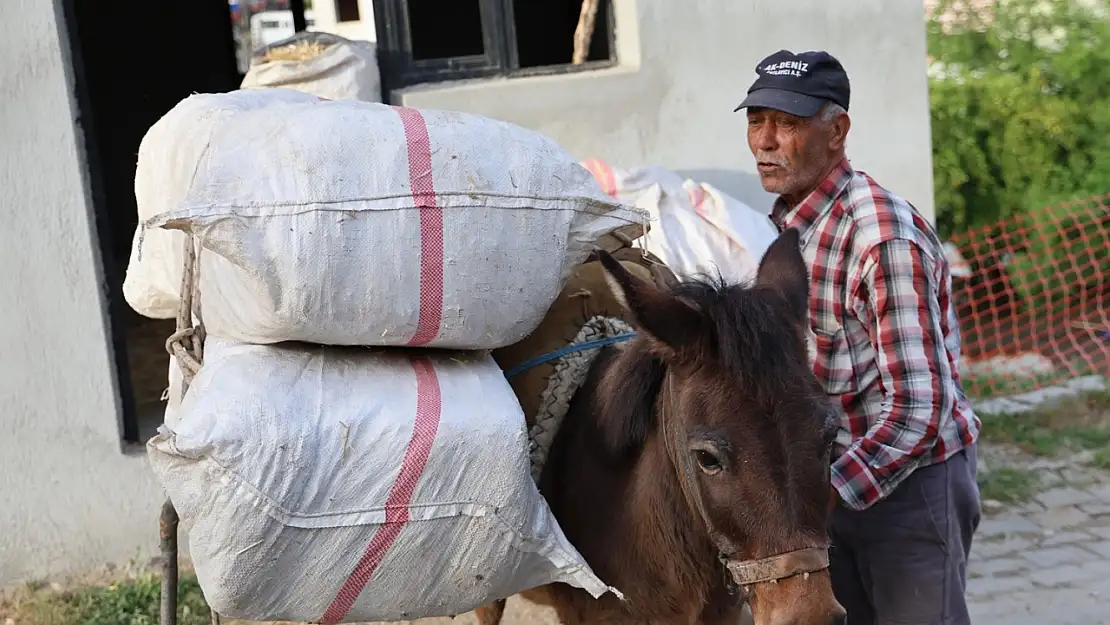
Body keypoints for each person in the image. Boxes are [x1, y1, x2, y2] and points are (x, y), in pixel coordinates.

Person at [734, 49, 983, 625]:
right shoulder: (777, 227)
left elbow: (920, 409)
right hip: (825, 489)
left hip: (911, 487)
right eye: (756, 120)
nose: (766, 141)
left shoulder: (881, 238)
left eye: (788, 123)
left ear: (837, 131)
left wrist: (826, 492)